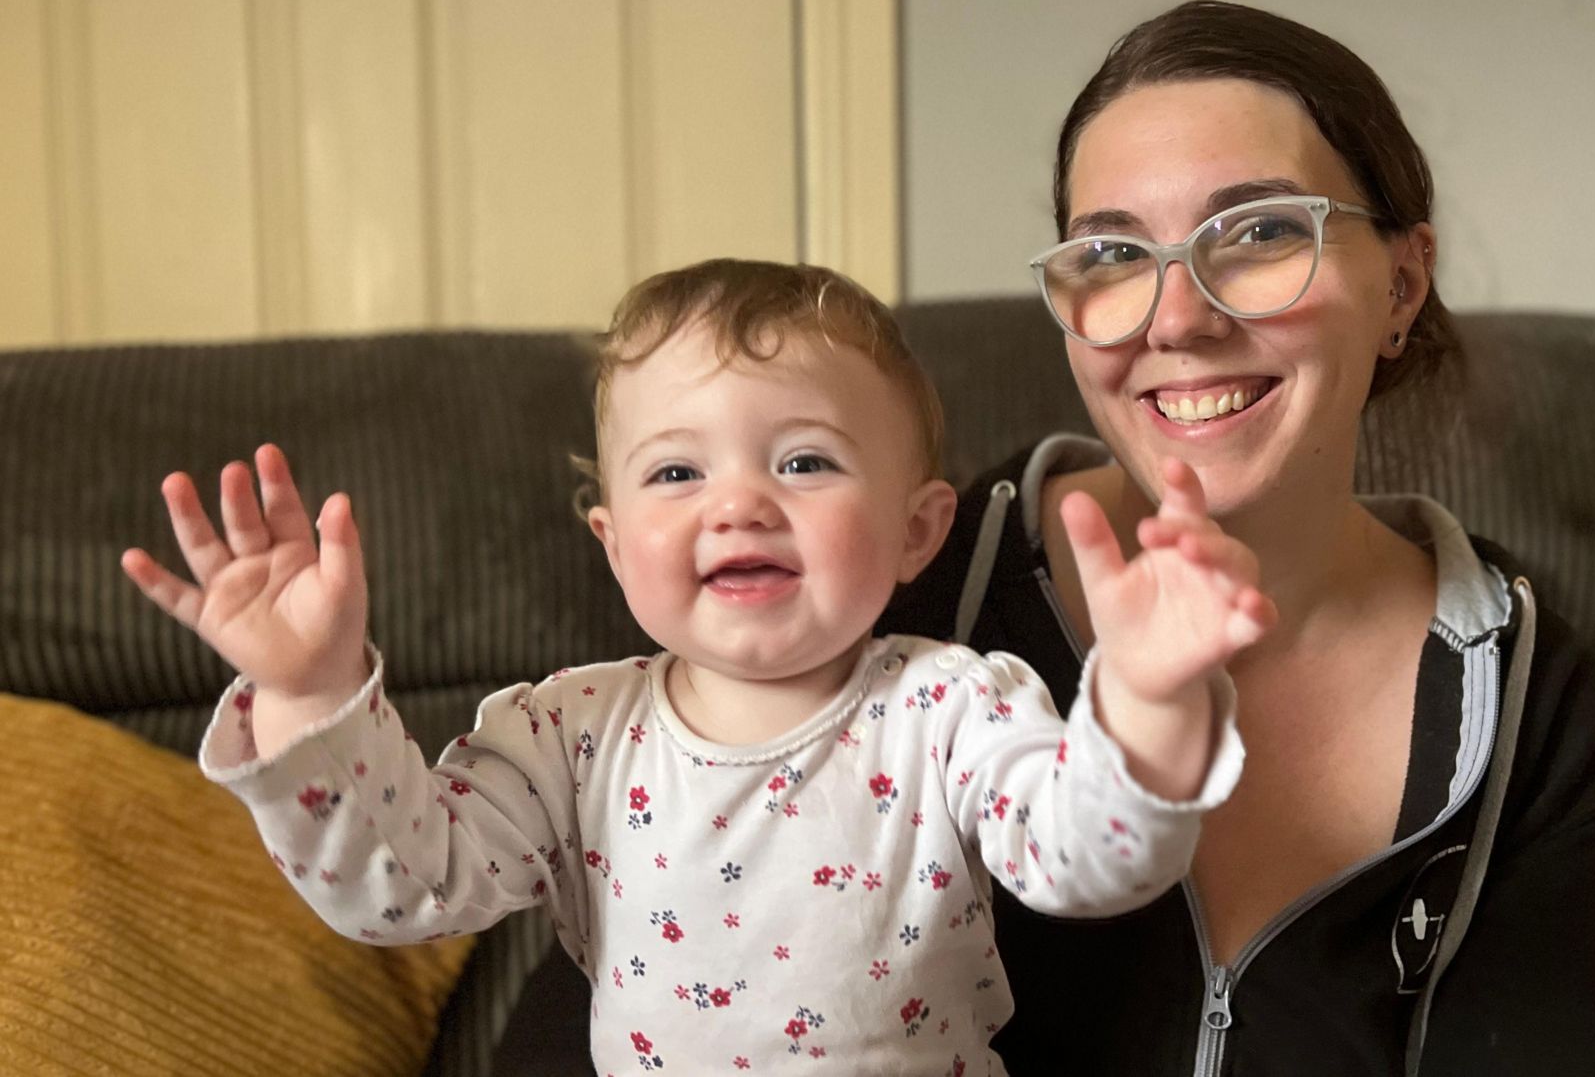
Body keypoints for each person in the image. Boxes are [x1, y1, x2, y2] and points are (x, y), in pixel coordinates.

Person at [119, 259, 1278, 1074]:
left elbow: (1091, 862)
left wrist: (1143, 695)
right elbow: (406, 891)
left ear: (919, 530)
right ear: (613, 543)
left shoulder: (953, 705)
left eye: (806, 459)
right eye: (676, 474)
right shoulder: (565, 732)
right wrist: (310, 690)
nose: (738, 503)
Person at [880, 0, 1595, 1075]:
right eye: (1111, 253)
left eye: (1256, 232)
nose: (1175, 318)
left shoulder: (1527, 694)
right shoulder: (917, 586)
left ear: (1400, 280)